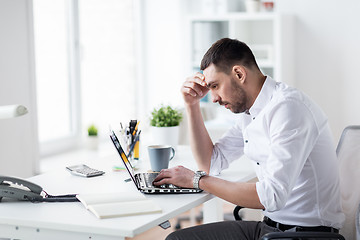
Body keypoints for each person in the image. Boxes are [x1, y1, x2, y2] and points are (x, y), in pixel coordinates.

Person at [153, 38, 344, 240]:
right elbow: (211, 162)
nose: (214, 97)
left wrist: (196, 180)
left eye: (215, 86)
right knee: (177, 239)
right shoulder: (251, 112)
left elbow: (271, 196)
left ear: (239, 74)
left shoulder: (288, 108)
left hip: (307, 236)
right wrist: (192, 106)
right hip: (271, 229)